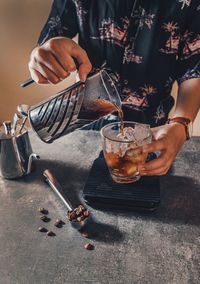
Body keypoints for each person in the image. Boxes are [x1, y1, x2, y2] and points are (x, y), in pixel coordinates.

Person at [28, 0, 200, 176]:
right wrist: (43, 55)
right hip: (84, 127)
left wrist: (181, 124)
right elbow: (53, 36)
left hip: (152, 135)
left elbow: (194, 69)